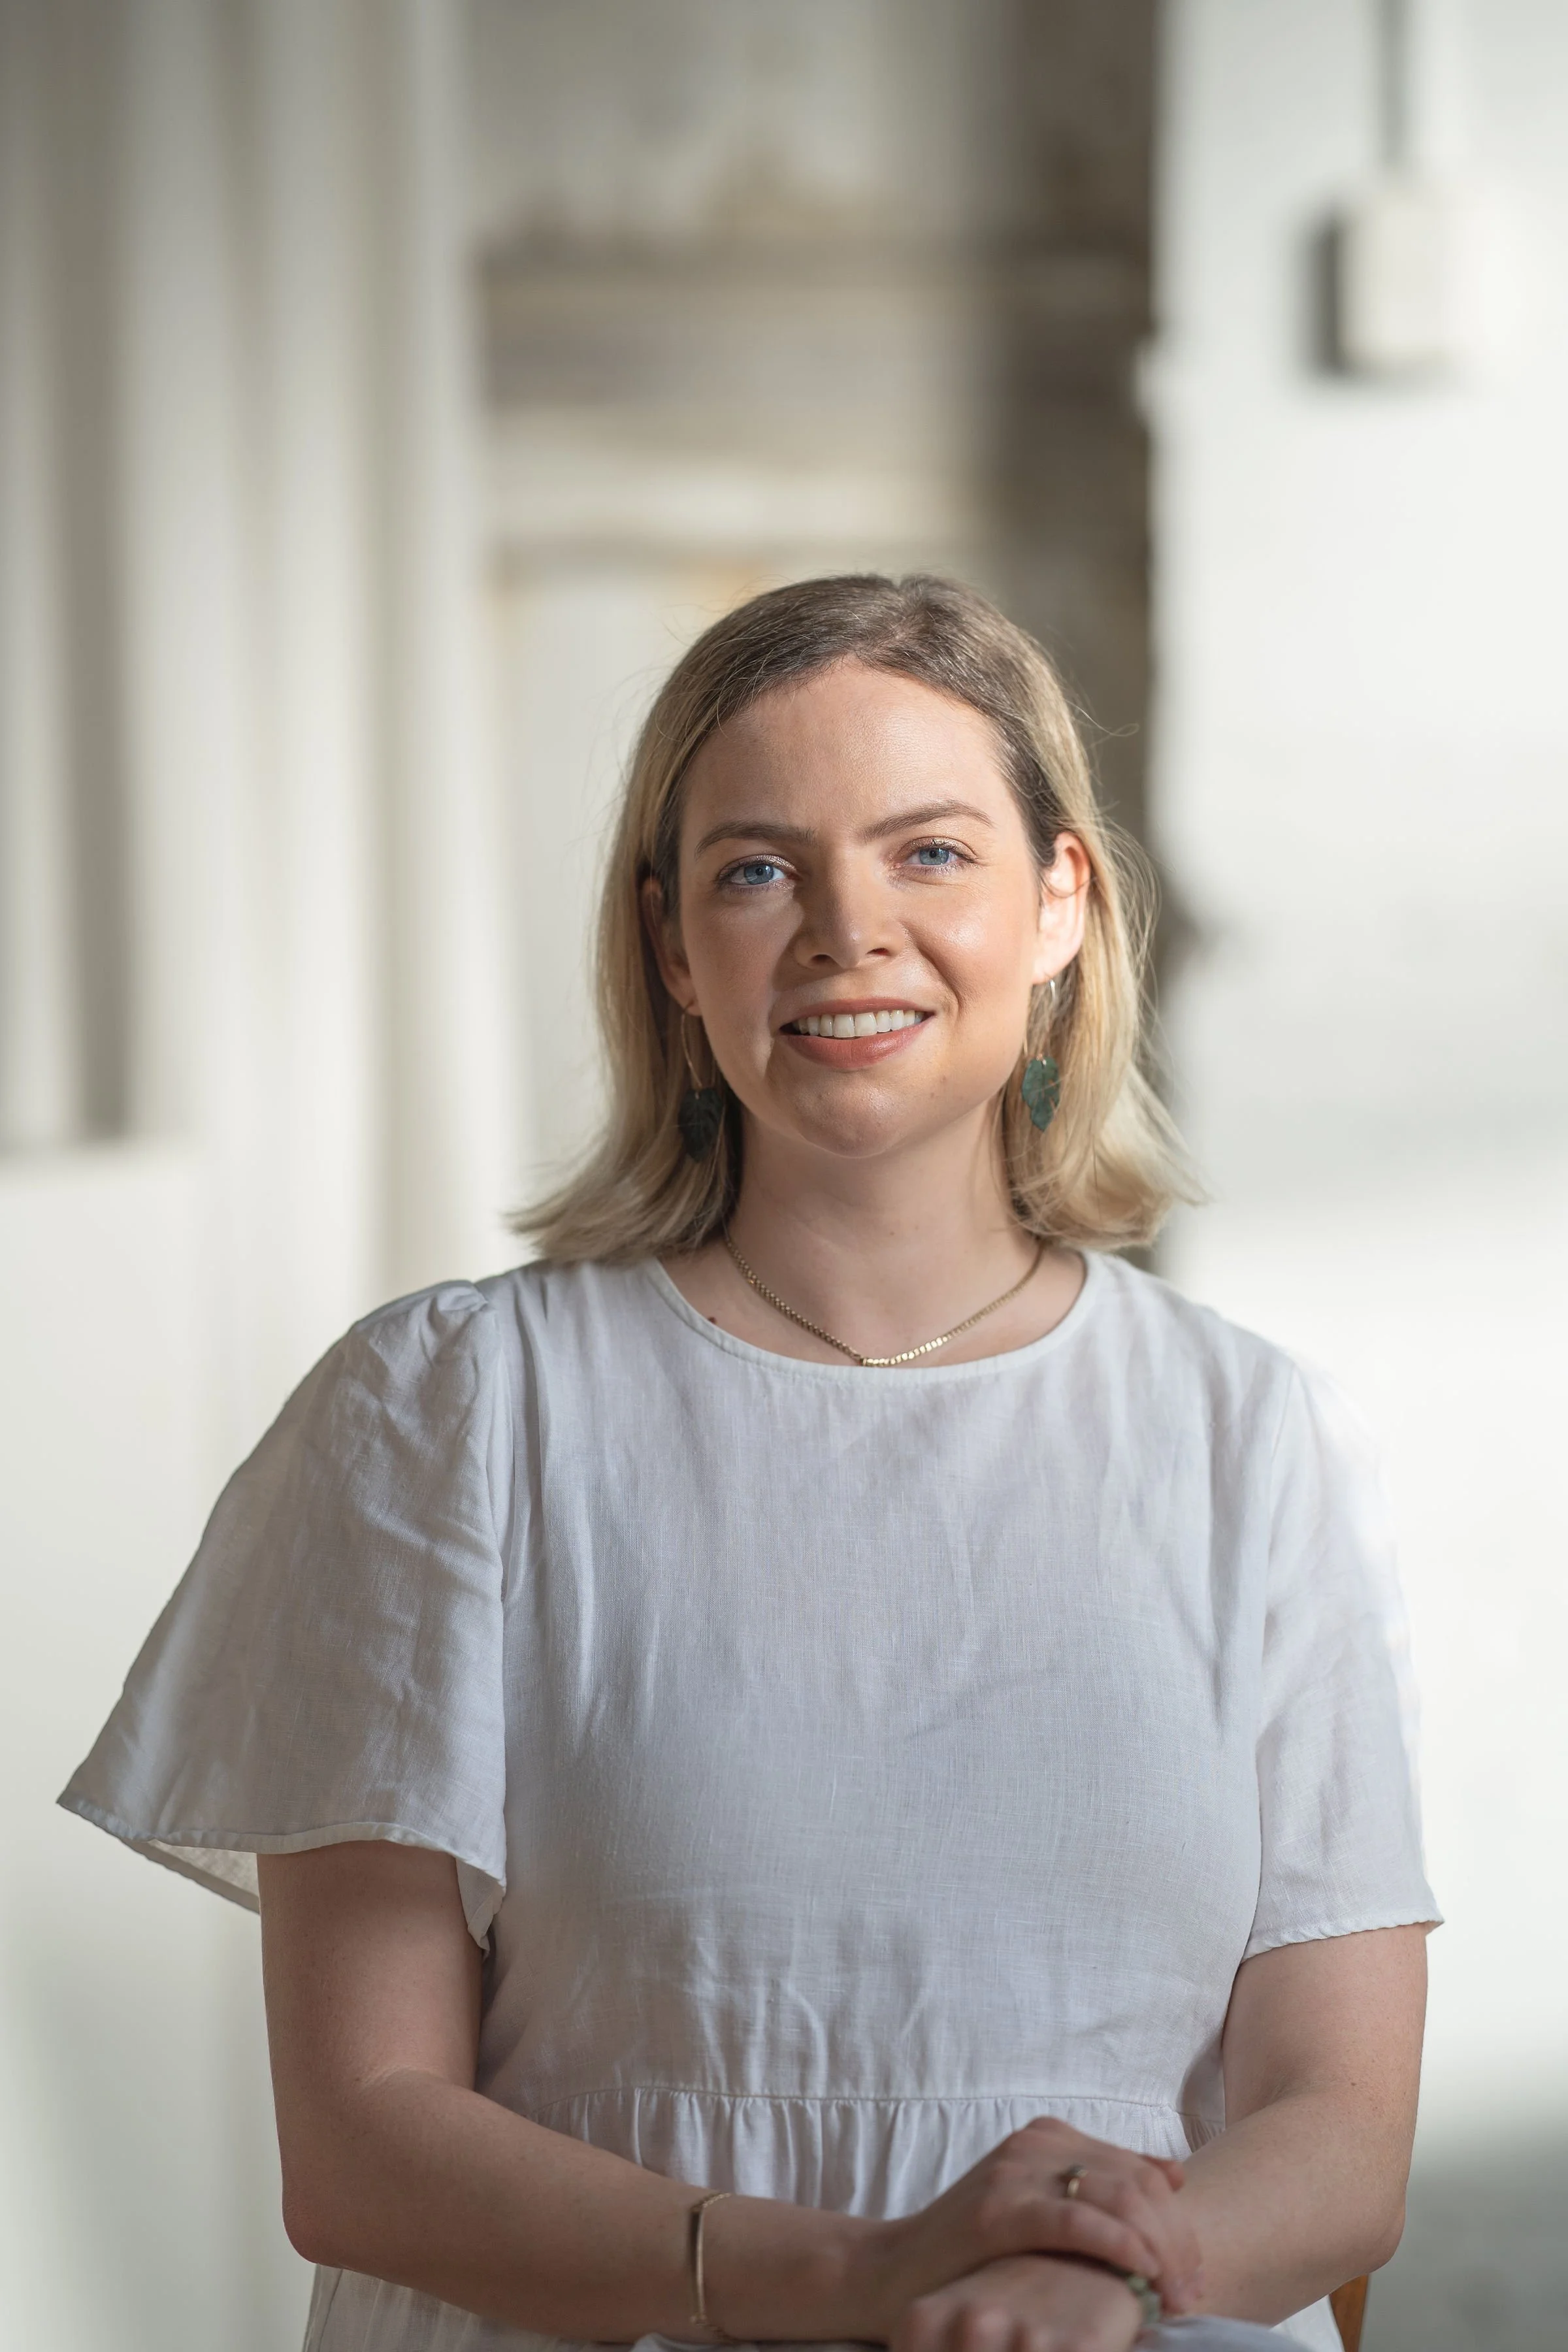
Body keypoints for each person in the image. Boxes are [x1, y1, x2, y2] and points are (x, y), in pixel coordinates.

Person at [63, 574, 1439, 2352]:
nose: (846, 930)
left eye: (932, 853)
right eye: (759, 869)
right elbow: (363, 2146)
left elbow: (1343, 2139)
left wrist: (1076, 2289)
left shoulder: (1258, 1439)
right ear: (670, 948)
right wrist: (861, 2280)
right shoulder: (456, 1410)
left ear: (1060, 904)